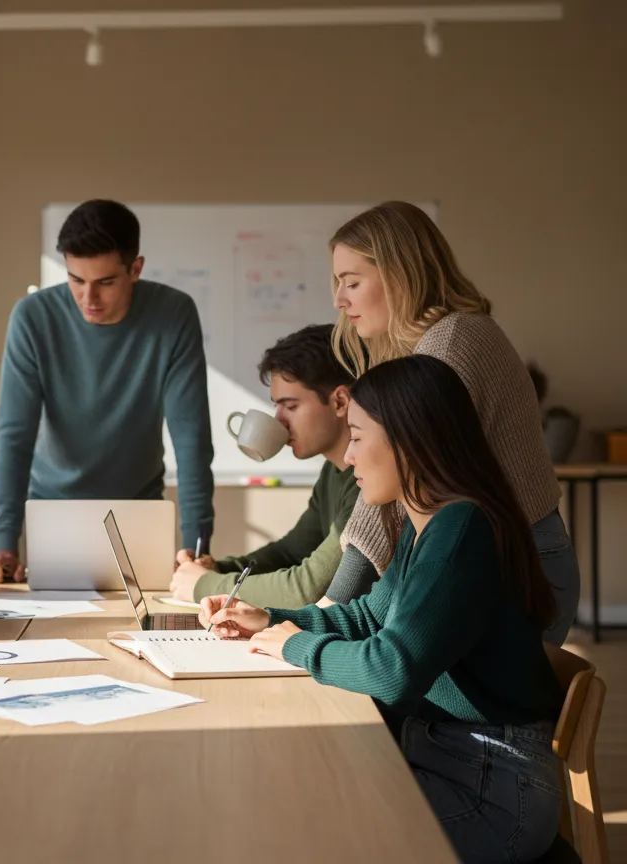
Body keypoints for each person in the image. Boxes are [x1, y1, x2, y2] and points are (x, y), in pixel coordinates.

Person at [203, 355, 564, 863]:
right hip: (452, 761)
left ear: (407, 440)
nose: (348, 459)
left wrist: (297, 647)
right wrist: (273, 623)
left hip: (491, 789)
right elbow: (368, 617)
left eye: (355, 436)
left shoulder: (460, 531)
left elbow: (395, 669)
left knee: (293, 829)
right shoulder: (431, 525)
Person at [323, 201, 578, 644]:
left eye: (352, 282)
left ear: (399, 273)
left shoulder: (452, 342)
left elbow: (395, 480)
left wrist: (333, 604)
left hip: (520, 561)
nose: (340, 301)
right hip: (495, 553)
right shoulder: (429, 342)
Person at [0, 199, 214, 583]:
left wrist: (198, 544)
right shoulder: (32, 318)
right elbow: (13, 438)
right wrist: (4, 543)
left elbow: (191, 440)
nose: (88, 299)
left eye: (105, 282)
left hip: (139, 514)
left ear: (135, 268)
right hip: (52, 514)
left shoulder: (174, 315)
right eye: (76, 280)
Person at [169, 324, 372, 607]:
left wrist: (203, 585)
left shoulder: (368, 481)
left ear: (340, 401)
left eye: (290, 407)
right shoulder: (332, 471)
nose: (278, 421)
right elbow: (290, 553)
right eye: (277, 406)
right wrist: (219, 569)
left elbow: (307, 589)